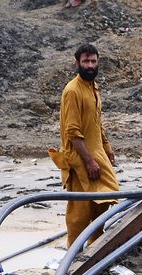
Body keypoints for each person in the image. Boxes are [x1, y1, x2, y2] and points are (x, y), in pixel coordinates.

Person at [50, 43, 118, 248]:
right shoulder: (72, 91)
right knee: (79, 213)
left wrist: (107, 149)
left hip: (97, 154)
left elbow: (96, 122)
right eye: (86, 61)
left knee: (105, 199)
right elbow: (72, 132)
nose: (90, 65)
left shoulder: (93, 87)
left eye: (93, 61)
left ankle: (96, 246)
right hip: (79, 158)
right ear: (77, 63)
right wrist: (89, 162)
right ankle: (74, 255)